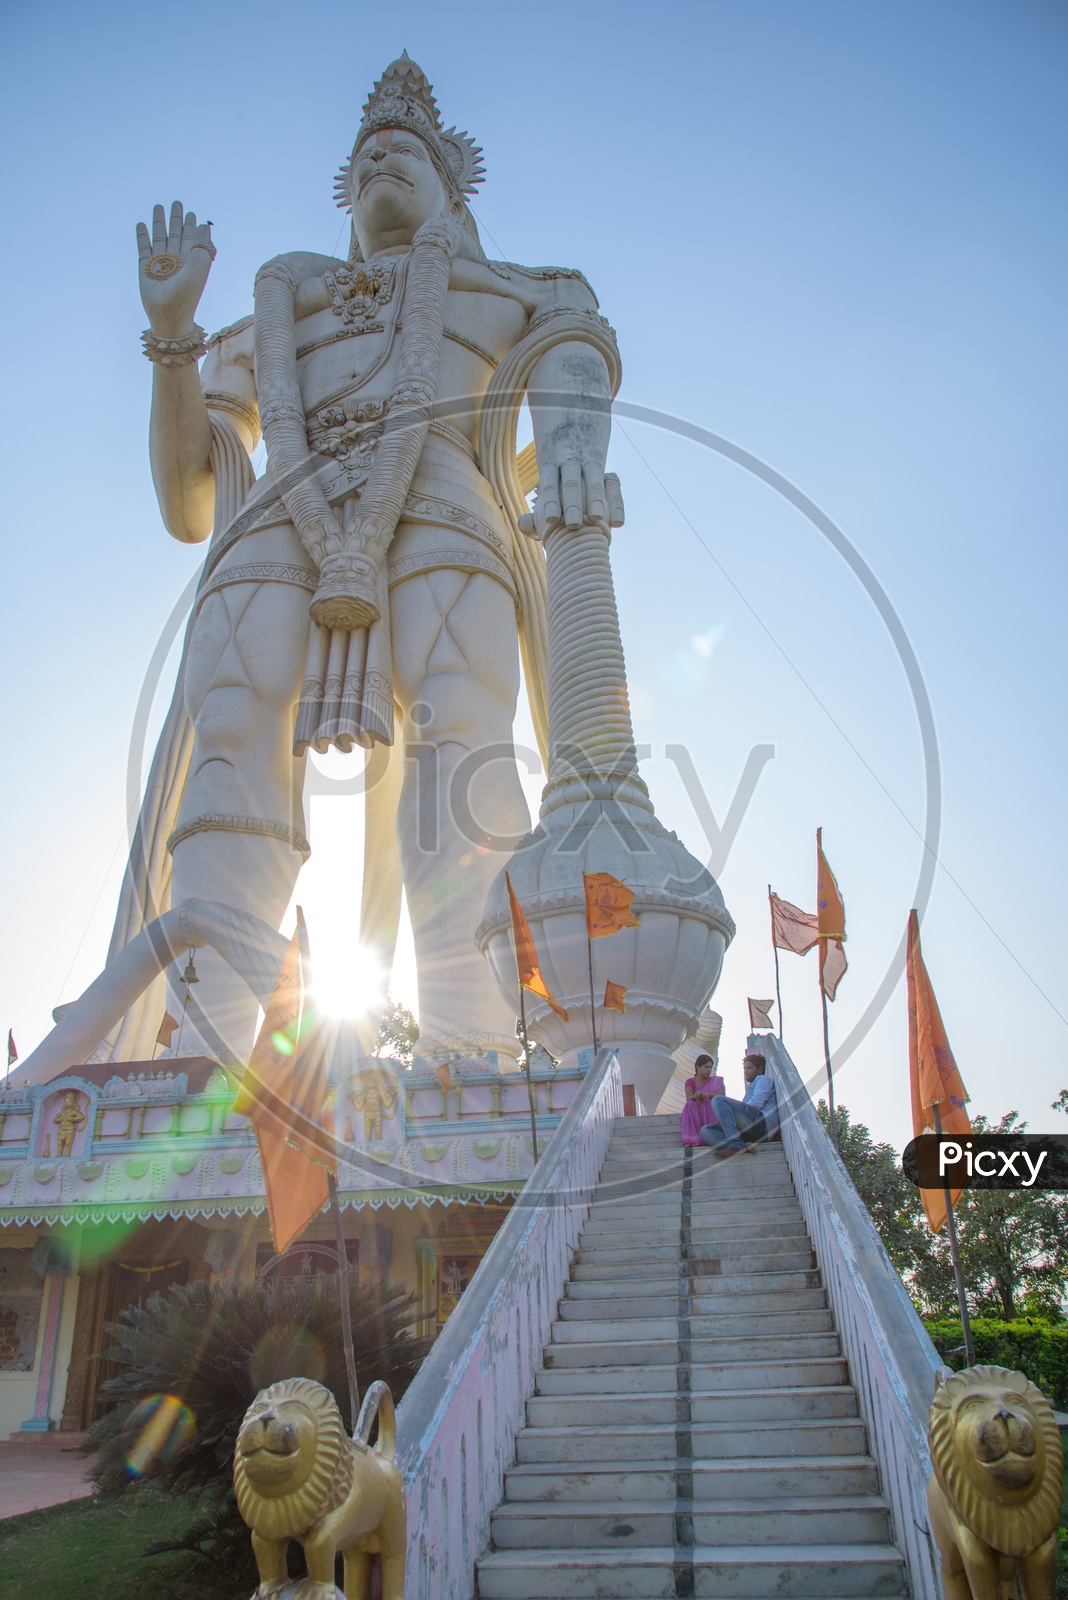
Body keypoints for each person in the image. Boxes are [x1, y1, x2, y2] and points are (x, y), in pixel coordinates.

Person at [112, 53, 624, 1066]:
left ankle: (469, 1049)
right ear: (347, 193)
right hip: (275, 536)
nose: (384, 152)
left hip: (442, 514)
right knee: (232, 733)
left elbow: (578, 355)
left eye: (407, 147)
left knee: (461, 743)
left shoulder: (513, 289)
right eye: (368, 151)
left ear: (449, 182)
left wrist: (570, 458)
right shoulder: (274, 311)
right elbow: (187, 499)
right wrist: (173, 342)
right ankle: (197, 1049)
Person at [698, 1051, 778, 1157]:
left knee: (718, 1100)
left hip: (762, 1126)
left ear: (760, 1070)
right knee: (705, 1130)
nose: (745, 1071)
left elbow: (756, 1104)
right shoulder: (751, 1087)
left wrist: (732, 1113)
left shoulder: (762, 1079)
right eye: (744, 1069)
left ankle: (735, 1144)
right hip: (749, 1132)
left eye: (749, 1068)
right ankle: (742, 1147)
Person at [679, 1053, 724, 1146]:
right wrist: (697, 1096)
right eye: (706, 1067)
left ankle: (710, 1134)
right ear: (698, 1067)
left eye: (710, 1067)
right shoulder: (690, 1081)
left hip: (710, 1109)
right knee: (690, 1104)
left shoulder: (715, 1081)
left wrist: (707, 1095)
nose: (709, 1070)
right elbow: (689, 1098)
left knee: (713, 1102)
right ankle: (692, 1137)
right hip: (697, 1109)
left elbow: (720, 1097)